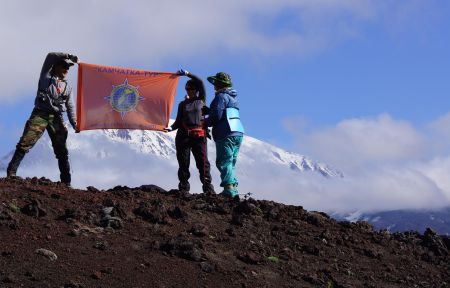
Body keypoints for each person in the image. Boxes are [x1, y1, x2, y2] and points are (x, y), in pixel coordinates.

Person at [6, 52, 79, 187]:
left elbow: (71, 106)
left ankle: (66, 182)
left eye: (68, 67)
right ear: (55, 66)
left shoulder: (68, 87)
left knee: (61, 150)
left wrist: (74, 124)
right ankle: (11, 172)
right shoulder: (45, 76)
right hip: (41, 114)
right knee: (25, 142)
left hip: (57, 117)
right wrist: (68, 55)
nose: (66, 69)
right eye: (63, 66)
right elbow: (50, 56)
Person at [166, 69, 215, 194]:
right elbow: (178, 121)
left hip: (199, 136)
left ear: (197, 90)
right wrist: (170, 128)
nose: (189, 90)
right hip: (183, 136)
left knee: (203, 162)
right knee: (183, 162)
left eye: (192, 88)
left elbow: (200, 82)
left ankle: (208, 188)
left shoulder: (201, 100)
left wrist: (188, 74)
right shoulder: (182, 104)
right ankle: (183, 187)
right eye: (187, 88)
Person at [204, 72, 244, 198]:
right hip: (237, 132)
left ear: (219, 84)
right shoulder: (232, 98)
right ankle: (233, 187)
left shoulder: (220, 97)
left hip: (225, 133)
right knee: (231, 161)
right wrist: (210, 111)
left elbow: (217, 115)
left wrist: (204, 122)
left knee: (224, 161)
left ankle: (229, 189)